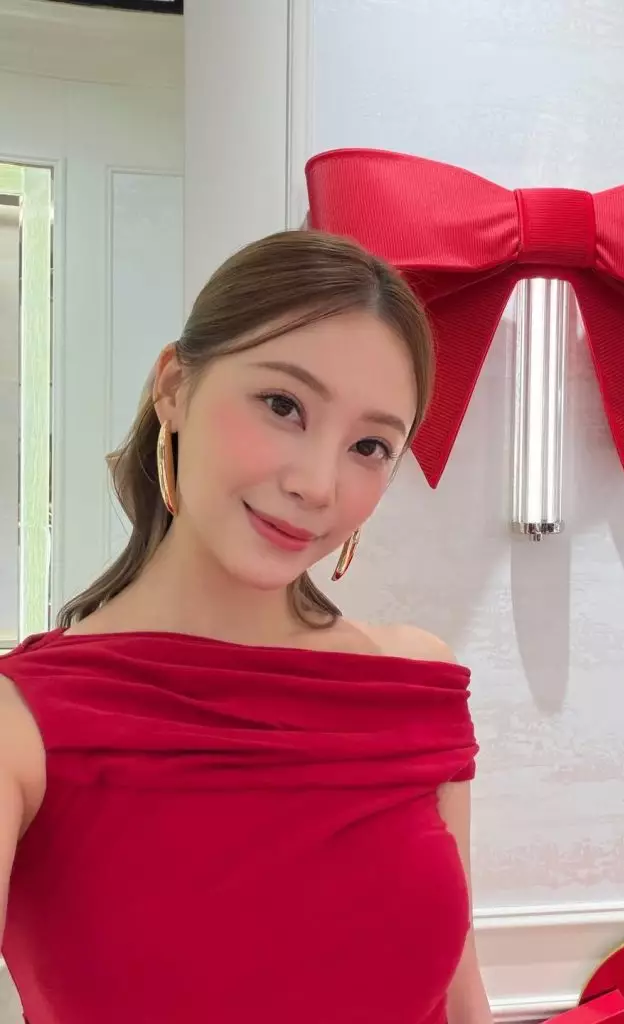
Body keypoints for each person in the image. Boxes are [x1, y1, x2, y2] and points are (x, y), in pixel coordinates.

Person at [0, 231, 491, 1024]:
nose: (317, 484)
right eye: (283, 405)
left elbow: (462, 999)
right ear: (174, 387)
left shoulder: (416, 683)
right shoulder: (20, 728)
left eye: (370, 446)